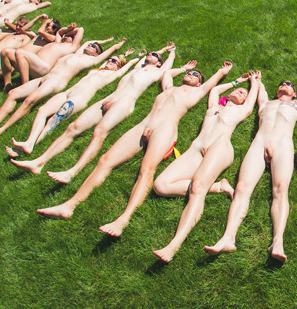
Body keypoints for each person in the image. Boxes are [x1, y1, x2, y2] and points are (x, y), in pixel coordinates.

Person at [38, 61, 233, 238]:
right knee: (105, 160)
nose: (191, 75)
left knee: (146, 170)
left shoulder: (196, 93)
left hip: (165, 128)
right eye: (189, 73)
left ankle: (123, 220)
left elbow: (212, 83)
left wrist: (223, 71)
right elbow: (166, 74)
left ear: (200, 84)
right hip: (144, 124)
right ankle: (70, 205)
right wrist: (181, 68)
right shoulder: (168, 88)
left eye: (195, 75)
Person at [204, 69, 297, 261]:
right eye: (282, 84)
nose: (284, 85)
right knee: (242, 188)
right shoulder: (266, 104)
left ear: (294, 93)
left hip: (283, 145)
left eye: (289, 85)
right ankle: (228, 237)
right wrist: (256, 80)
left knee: (281, 189)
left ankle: (277, 241)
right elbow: (259, 88)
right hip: (259, 142)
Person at [10, 44, 178, 178]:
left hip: (124, 103)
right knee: (73, 128)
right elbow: (142, 59)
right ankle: (39, 162)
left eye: (155, 56)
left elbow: (167, 66)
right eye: (151, 54)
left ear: (159, 63)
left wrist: (172, 52)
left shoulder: (158, 71)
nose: (151, 54)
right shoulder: (138, 67)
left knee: (99, 133)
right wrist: (154, 51)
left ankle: (72, 172)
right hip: (107, 99)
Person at [151, 71, 261, 262]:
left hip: (220, 146)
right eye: (239, 91)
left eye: (244, 94)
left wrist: (253, 82)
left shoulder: (242, 110)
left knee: (197, 189)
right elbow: (216, 89)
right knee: (160, 185)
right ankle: (219, 187)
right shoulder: (214, 106)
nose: (241, 93)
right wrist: (238, 80)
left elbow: (252, 99)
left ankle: (174, 245)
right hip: (196, 147)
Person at [0, 37, 124, 145]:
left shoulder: (92, 61)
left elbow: (107, 54)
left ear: (96, 54)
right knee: (12, 94)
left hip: (56, 82)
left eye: (94, 47)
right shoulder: (76, 53)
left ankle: (0, 131)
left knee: (30, 100)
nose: (91, 46)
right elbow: (85, 42)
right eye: (91, 44)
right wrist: (102, 41)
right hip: (46, 77)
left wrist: (116, 45)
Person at [5, 48, 138, 157]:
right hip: (67, 93)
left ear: (117, 67)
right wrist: (122, 54)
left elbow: (124, 69)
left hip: (79, 98)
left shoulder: (113, 75)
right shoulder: (98, 70)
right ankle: (29, 142)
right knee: (42, 111)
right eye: (109, 59)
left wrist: (132, 59)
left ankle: (28, 146)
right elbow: (106, 62)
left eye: (114, 61)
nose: (109, 61)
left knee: (53, 121)